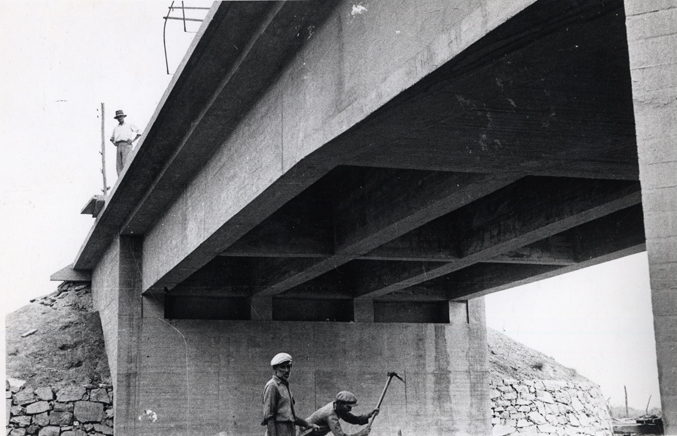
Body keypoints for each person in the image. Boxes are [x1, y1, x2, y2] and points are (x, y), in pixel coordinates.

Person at [262, 353, 320, 436]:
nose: (287, 370)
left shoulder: (285, 386)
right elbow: (269, 417)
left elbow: (291, 417)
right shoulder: (272, 386)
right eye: (283, 367)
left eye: (288, 366)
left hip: (290, 431)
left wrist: (309, 424)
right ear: (275, 369)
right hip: (279, 432)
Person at [300, 391, 379, 436]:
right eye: (348, 407)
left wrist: (369, 415)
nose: (350, 409)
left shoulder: (337, 407)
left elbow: (353, 419)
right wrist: (361, 434)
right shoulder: (331, 415)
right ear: (341, 404)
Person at [110, 109, 141, 175]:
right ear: (117, 119)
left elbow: (139, 132)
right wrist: (114, 143)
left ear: (123, 117)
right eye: (118, 117)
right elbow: (111, 138)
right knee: (119, 166)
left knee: (127, 163)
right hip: (119, 147)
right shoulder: (116, 128)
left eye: (121, 116)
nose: (120, 118)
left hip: (127, 145)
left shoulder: (129, 125)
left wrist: (133, 140)